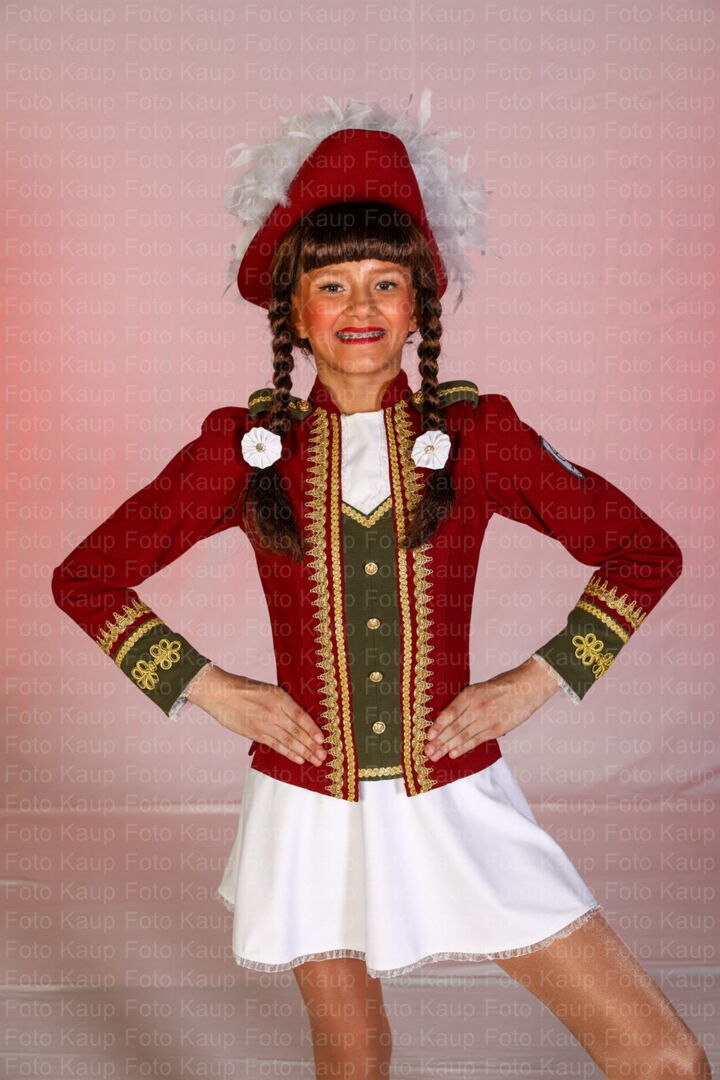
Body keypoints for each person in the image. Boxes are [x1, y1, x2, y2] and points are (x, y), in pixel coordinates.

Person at [52, 94, 711, 1079]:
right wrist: (215, 689)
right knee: (353, 1056)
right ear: (295, 313)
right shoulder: (246, 448)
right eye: (332, 284)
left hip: (456, 793)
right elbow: (88, 576)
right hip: (306, 807)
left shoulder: (479, 436)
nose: (360, 308)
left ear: (418, 306)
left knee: (661, 1058)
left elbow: (642, 551)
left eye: (385, 282)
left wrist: (532, 682)